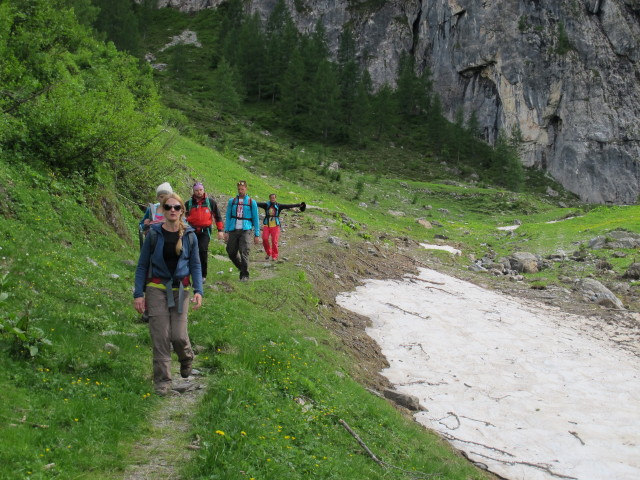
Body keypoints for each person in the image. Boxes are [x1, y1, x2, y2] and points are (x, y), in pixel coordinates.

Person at [133, 193, 203, 396]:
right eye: (168, 207)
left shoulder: (189, 235)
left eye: (177, 207)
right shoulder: (154, 234)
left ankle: (186, 356)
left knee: (178, 336)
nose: (173, 210)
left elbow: (195, 265)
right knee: (161, 336)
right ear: (162, 210)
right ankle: (162, 381)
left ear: (182, 211)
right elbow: (142, 265)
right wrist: (139, 294)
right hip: (156, 289)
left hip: (181, 289)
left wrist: (199, 290)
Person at [185, 182, 224, 283]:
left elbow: (218, 216)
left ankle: (203, 275)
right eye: (197, 190)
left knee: (202, 250)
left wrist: (220, 230)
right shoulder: (188, 203)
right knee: (190, 252)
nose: (199, 192)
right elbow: (182, 217)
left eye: (200, 190)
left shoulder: (210, 202)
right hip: (191, 230)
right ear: (193, 191)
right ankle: (187, 276)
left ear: (203, 190)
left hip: (205, 231)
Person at [223, 180, 260, 282]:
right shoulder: (232, 201)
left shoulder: (251, 202)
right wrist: (226, 231)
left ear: (246, 189)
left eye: (242, 189)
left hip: (246, 229)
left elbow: (256, 219)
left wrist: (257, 234)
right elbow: (228, 216)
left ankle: (244, 275)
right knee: (230, 251)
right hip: (233, 229)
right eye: (239, 189)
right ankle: (241, 268)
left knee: (244, 251)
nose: (240, 191)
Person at [257, 194, 306, 261]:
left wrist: (299, 205)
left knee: (274, 241)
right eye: (271, 198)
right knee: (264, 239)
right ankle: (268, 253)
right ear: (269, 198)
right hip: (267, 226)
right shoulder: (266, 205)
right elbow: (257, 203)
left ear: (275, 198)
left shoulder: (279, 206)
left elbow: (288, 206)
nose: (272, 199)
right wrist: (249, 201)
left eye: (274, 198)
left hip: (275, 226)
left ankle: (274, 256)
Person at [138, 182, 173, 248]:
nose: (164, 199)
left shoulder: (174, 210)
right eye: (161, 197)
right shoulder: (151, 210)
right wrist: (145, 225)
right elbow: (141, 226)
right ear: (157, 197)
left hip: (169, 242)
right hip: (153, 243)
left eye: (166, 197)